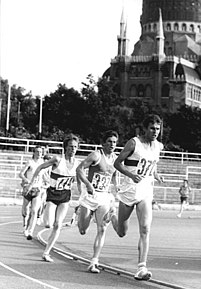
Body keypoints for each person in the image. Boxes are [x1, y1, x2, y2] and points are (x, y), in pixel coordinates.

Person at [108, 114, 164, 281]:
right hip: (129, 191)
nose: (155, 132)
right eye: (152, 128)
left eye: (158, 129)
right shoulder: (134, 143)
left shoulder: (159, 146)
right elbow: (117, 163)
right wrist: (130, 176)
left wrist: (156, 175)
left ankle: (142, 267)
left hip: (145, 192)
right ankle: (111, 216)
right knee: (121, 232)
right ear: (145, 129)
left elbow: (151, 166)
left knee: (145, 228)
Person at [25, 134, 80, 262]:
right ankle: (41, 212)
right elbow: (40, 167)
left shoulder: (77, 164)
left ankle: (46, 252)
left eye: (75, 147)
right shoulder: (57, 160)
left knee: (57, 225)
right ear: (65, 147)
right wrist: (32, 183)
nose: (73, 149)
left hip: (65, 196)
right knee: (49, 224)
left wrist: (83, 196)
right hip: (52, 195)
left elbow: (80, 180)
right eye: (71, 146)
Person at [76, 130, 119, 273]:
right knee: (83, 230)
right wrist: (88, 184)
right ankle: (79, 214)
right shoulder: (96, 155)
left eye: (114, 142)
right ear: (103, 143)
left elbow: (113, 175)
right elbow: (79, 169)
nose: (112, 144)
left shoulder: (116, 158)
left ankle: (94, 261)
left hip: (103, 197)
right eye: (109, 142)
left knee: (102, 229)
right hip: (89, 196)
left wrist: (116, 188)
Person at [19, 145, 44, 239]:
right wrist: (26, 181)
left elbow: (44, 176)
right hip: (28, 188)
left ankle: (30, 231)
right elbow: (20, 174)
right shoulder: (30, 162)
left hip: (37, 189)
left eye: (41, 152)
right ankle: (25, 226)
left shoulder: (43, 163)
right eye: (37, 151)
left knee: (34, 211)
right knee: (25, 210)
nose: (39, 154)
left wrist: (46, 183)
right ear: (34, 152)